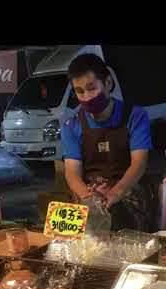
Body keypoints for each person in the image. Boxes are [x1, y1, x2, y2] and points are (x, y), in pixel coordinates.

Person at [61, 53, 153, 232]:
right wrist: (89, 196)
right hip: (91, 190)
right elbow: (72, 172)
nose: (86, 97)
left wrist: (114, 193)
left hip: (126, 187)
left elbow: (139, 164)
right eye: (80, 91)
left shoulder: (136, 116)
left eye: (91, 88)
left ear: (108, 83)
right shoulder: (71, 125)